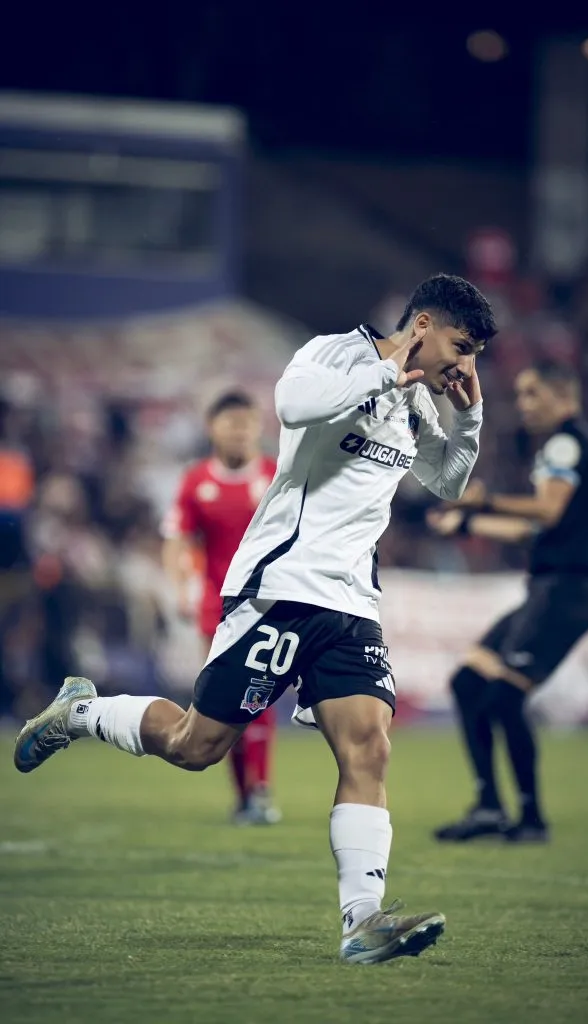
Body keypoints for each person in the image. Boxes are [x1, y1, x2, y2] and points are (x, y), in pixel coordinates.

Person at [14, 273, 496, 965]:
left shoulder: (419, 403)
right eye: (461, 345)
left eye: (474, 354)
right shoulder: (338, 355)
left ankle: (361, 923)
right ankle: (81, 712)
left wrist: (468, 420)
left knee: (370, 747)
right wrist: (389, 373)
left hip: (351, 604)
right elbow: (294, 407)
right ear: (422, 324)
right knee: (195, 745)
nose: (464, 365)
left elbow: (445, 481)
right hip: (281, 587)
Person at [429, 361, 588, 844]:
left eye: (533, 394)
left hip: (568, 592)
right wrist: (467, 525)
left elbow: (547, 510)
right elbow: (533, 528)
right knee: (469, 683)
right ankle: (490, 807)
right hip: (551, 591)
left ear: (563, 396)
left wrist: (481, 503)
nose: (525, 404)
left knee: (505, 697)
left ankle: (531, 818)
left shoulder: (566, 442)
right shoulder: (569, 449)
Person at [162, 390, 280, 825]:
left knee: (260, 696)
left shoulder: (276, 474)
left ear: (258, 427)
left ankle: (261, 790)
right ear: (213, 428)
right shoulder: (196, 482)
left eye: (247, 423)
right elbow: (176, 539)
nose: (240, 431)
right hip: (217, 607)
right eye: (231, 423)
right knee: (223, 703)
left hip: (270, 603)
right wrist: (180, 587)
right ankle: (245, 795)